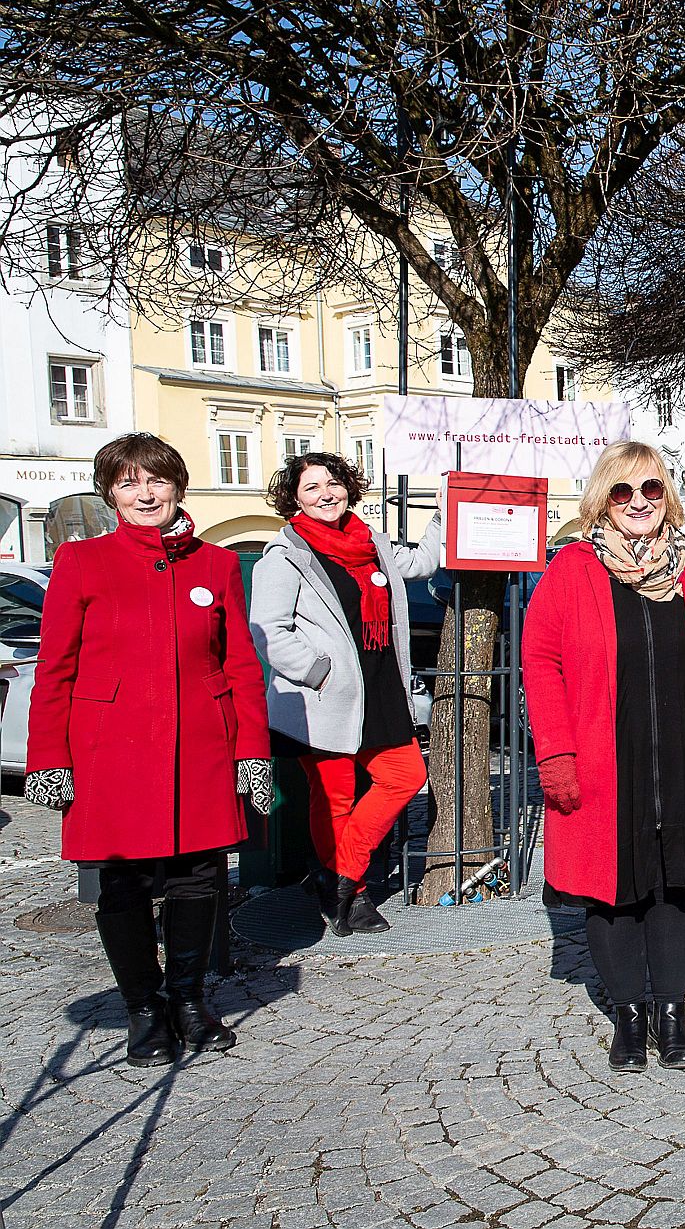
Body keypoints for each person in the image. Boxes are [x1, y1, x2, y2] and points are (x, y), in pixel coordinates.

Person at [26, 433, 272, 1067]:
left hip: (201, 748)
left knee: (201, 877)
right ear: (111, 493)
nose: (146, 493)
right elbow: (54, 669)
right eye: (130, 482)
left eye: (157, 481)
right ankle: (143, 1007)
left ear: (177, 488)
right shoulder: (82, 561)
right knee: (123, 882)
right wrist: (49, 761)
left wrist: (252, 754)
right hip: (113, 752)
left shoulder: (215, 565)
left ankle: (188, 1000)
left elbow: (240, 666)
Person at [522, 442, 685, 1074]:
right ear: (603, 500)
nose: (639, 504)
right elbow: (540, 664)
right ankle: (627, 1014)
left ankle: (672, 1012)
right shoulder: (573, 570)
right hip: (603, 768)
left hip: (683, 759)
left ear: (667, 498)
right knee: (614, 893)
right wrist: (558, 755)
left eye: (651, 490)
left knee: (677, 890)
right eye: (623, 492)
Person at [249, 453, 443, 935]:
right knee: (332, 797)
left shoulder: (370, 542)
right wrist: (318, 672)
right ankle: (351, 898)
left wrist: (442, 512)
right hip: (325, 698)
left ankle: (339, 874)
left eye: (333, 483)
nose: (325, 494)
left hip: (380, 689)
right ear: (295, 497)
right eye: (311, 487)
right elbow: (268, 629)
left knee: (405, 775)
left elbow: (420, 562)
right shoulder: (285, 555)